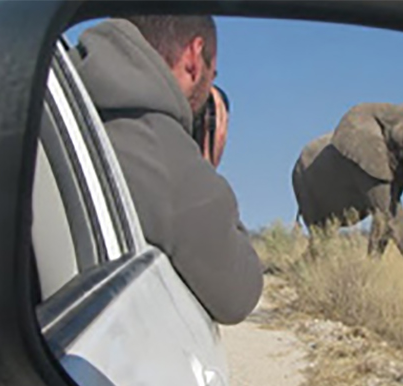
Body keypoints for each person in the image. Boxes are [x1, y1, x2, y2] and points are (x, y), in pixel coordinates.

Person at [71, 16, 262, 325]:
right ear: (193, 58)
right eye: (213, 74)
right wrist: (203, 168)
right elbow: (239, 292)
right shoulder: (160, 152)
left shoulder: (64, 90)